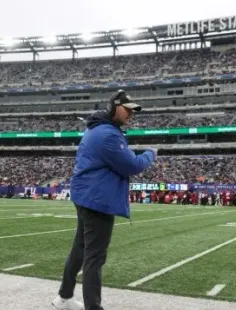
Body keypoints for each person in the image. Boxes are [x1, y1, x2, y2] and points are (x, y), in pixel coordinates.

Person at [52, 90, 157, 310]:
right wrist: (150, 153)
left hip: (87, 195)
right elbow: (132, 165)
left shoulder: (100, 129)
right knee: (95, 257)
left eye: (133, 110)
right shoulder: (108, 134)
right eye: (127, 109)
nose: (131, 114)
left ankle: (64, 297)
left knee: (80, 248)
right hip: (97, 199)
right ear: (113, 108)